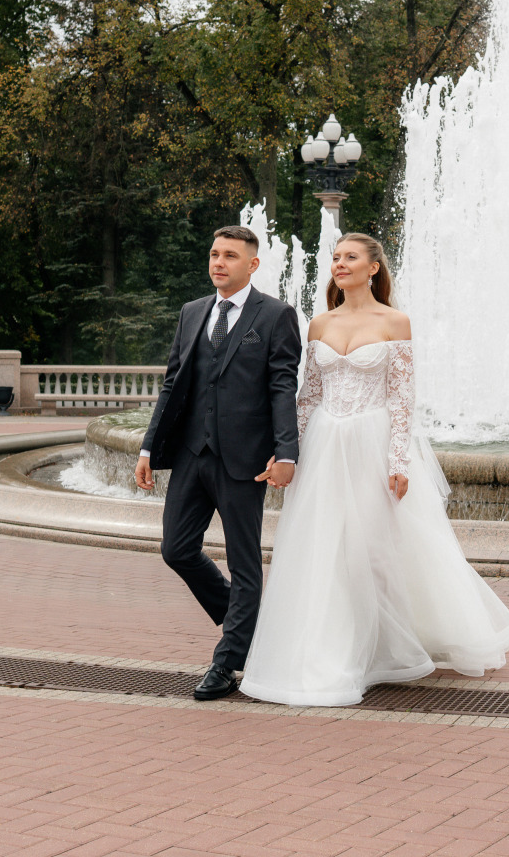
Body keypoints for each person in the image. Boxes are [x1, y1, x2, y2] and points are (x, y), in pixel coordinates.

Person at [239, 232, 509, 707]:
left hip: (372, 444)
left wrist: (397, 459)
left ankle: (392, 641)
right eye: (335, 257)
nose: (339, 264)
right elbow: (308, 397)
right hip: (324, 445)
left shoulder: (395, 321)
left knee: (375, 549)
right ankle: (338, 650)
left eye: (350, 257)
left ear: (373, 268)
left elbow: (401, 398)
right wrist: (287, 450)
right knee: (325, 546)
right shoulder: (320, 324)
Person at [134, 226, 302, 701]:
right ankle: (246, 625)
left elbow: (282, 386)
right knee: (176, 549)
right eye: (214, 254)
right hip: (191, 454)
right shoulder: (192, 312)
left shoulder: (276, 315)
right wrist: (148, 448)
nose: (218, 262)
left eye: (230, 255)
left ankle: (227, 662)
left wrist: (286, 451)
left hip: (245, 459)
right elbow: (173, 383)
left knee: (245, 563)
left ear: (253, 264)